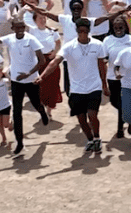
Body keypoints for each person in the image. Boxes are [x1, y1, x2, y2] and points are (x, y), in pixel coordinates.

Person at [40, 18, 109, 153]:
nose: (83, 33)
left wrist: (104, 85)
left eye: (85, 31)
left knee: (92, 114)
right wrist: (42, 76)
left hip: (94, 86)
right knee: (81, 118)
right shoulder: (69, 47)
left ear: (89, 31)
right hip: (76, 89)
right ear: (77, 31)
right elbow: (55, 62)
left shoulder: (98, 45)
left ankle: (97, 138)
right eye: (80, 31)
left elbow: (102, 66)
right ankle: (90, 140)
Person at [0, 18, 49, 155]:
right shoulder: (9, 39)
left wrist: (28, 74)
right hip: (16, 81)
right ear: (13, 28)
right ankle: (19, 142)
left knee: (36, 103)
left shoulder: (31, 39)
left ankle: (42, 112)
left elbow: (42, 60)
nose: (20, 29)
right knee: (17, 112)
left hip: (31, 80)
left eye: (22, 27)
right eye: (17, 27)